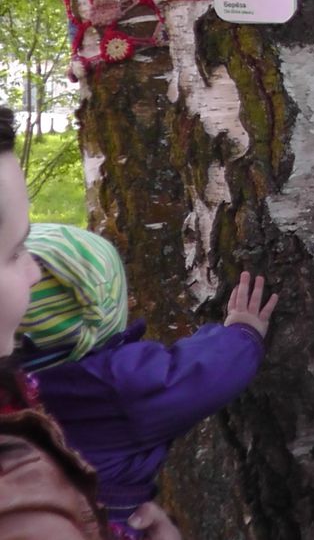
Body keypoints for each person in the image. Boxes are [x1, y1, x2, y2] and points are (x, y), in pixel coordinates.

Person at [16, 222, 277, 538]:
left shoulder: (18, 386)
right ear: (103, 314)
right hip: (108, 523)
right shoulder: (112, 384)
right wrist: (242, 333)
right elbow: (197, 377)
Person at [0, 105, 180, 540]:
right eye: (13, 253)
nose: (35, 274)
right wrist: (246, 333)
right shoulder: (28, 516)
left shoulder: (20, 385)